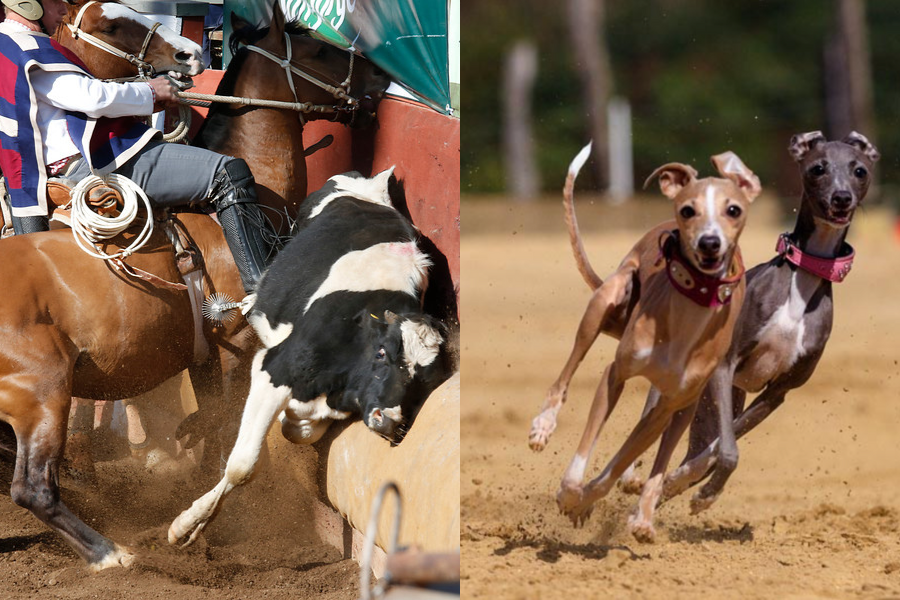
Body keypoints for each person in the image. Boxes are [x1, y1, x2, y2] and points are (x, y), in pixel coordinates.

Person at [0, 0, 272, 292]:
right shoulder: (26, 46)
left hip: (48, 172)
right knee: (228, 173)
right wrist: (150, 92)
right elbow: (89, 98)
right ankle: (266, 292)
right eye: (55, 2)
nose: (63, 11)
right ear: (28, 4)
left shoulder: (8, 48)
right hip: (90, 162)